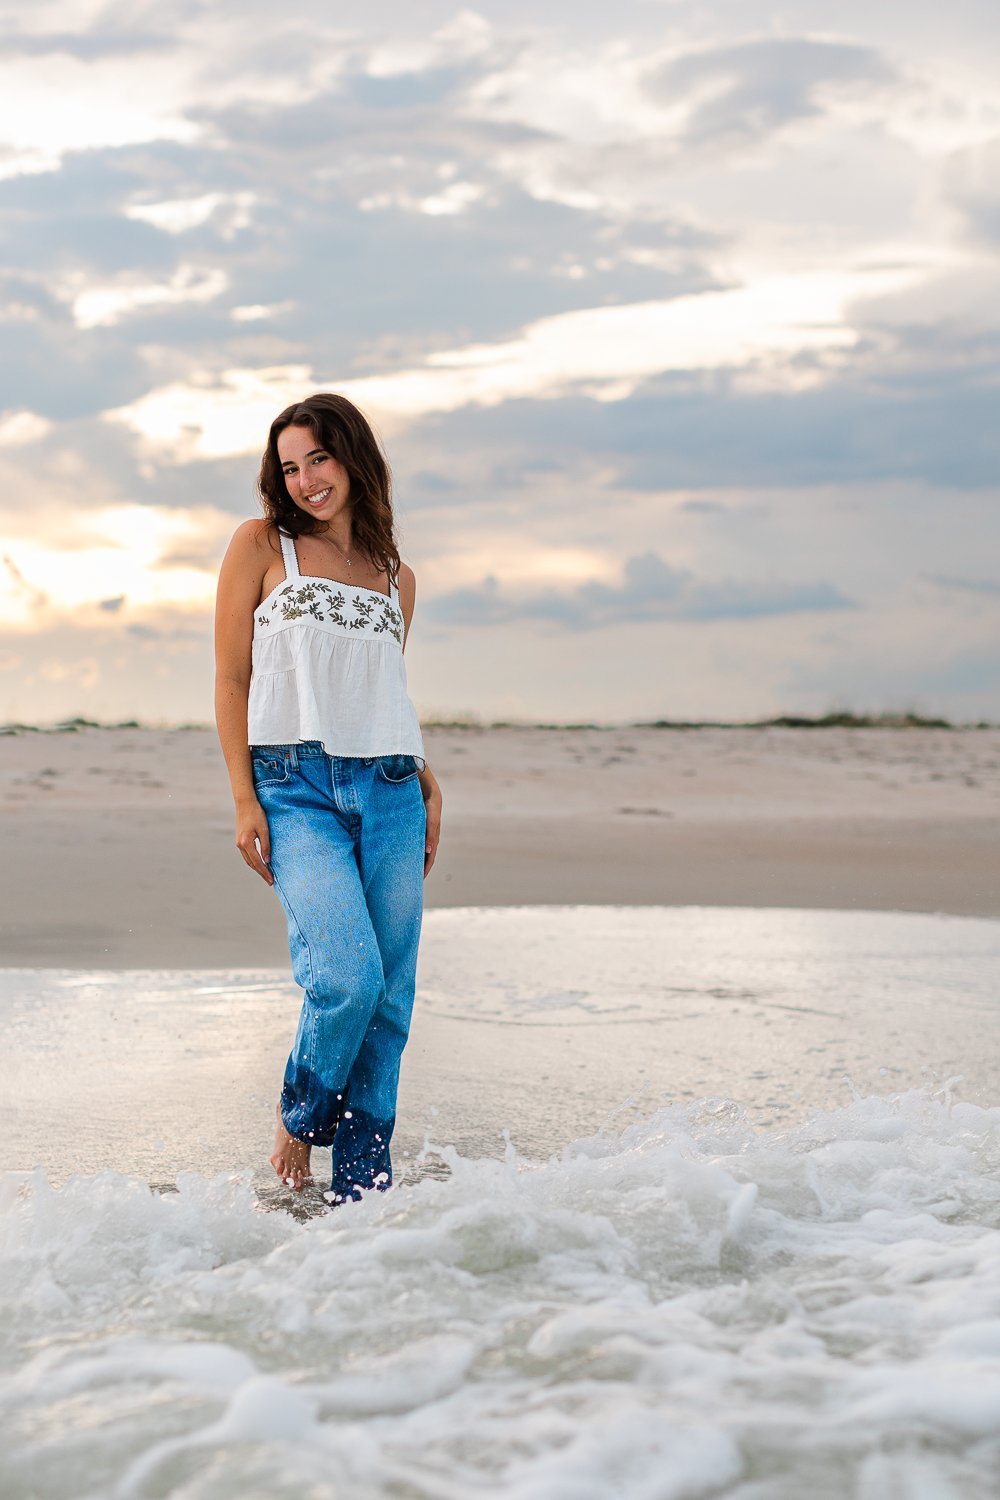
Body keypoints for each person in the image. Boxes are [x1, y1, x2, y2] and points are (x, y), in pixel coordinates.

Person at [214, 392, 442, 1203]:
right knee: (347, 976)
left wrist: (423, 772)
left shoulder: (396, 578)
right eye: (291, 466)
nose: (307, 479)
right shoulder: (262, 545)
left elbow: (378, 689)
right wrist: (245, 799)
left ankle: (361, 1190)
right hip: (294, 786)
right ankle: (300, 1118)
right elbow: (234, 677)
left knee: (391, 997)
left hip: (389, 787)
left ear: (353, 457)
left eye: (319, 458)